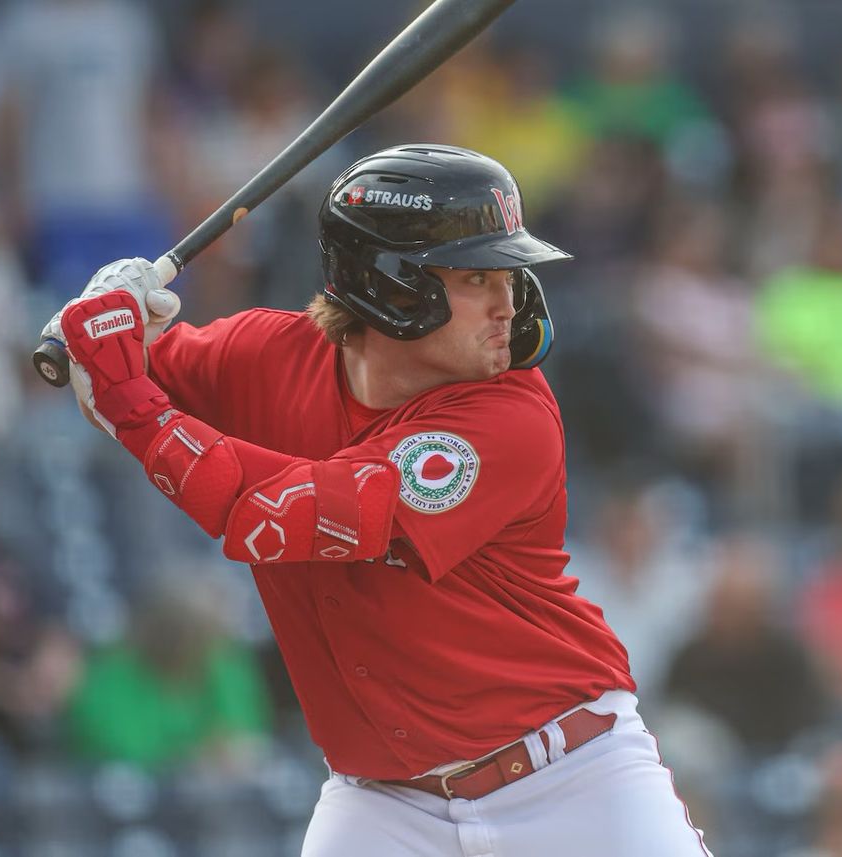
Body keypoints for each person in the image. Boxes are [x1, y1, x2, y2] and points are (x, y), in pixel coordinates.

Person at [41, 143, 713, 856]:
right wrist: (105, 319)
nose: (508, 303)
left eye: (509, 275)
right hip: (383, 805)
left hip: (569, 781)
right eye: (478, 277)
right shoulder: (265, 356)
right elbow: (113, 384)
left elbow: (276, 516)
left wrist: (125, 392)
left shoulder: (511, 412)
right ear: (392, 286)